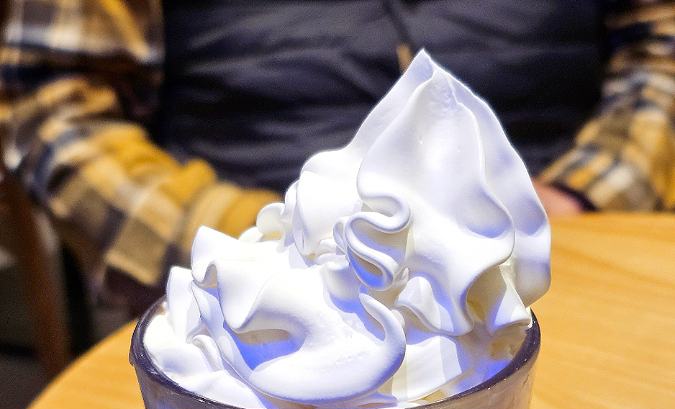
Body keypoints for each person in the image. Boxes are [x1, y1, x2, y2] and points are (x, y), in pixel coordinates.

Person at [0, 0, 673, 315]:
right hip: (258, 291)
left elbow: (661, 44)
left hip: (564, 261)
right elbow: (54, 107)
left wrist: (584, 195)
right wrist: (259, 243)